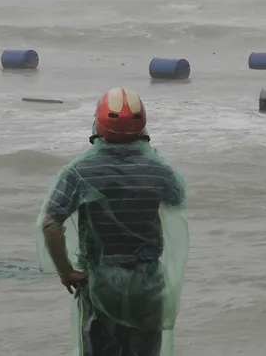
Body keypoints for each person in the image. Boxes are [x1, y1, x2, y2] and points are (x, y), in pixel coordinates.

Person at [36, 87, 190, 356]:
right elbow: (176, 199)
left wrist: (67, 272)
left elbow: (50, 225)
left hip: (101, 286)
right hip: (146, 286)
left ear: (99, 124)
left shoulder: (79, 171)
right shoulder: (160, 170)